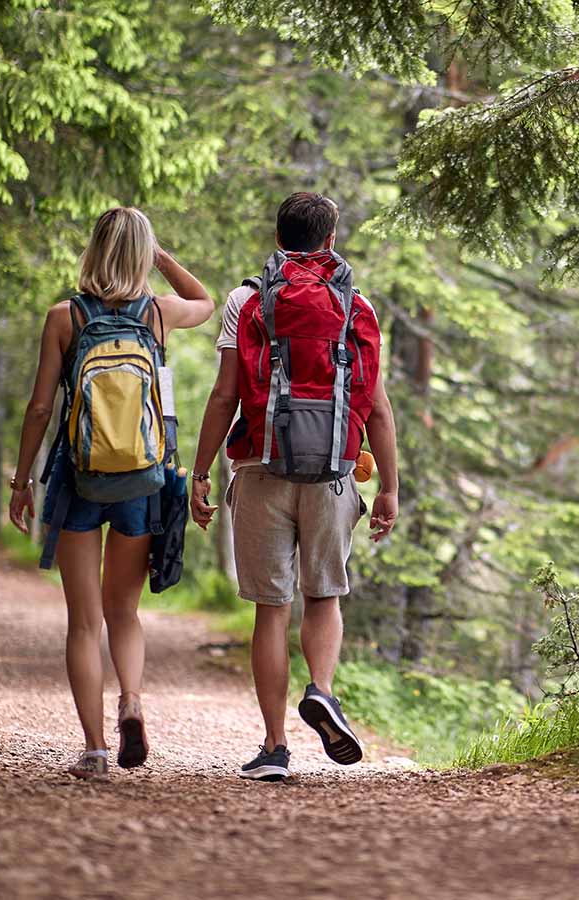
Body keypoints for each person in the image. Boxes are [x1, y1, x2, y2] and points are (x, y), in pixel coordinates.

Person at [190, 192, 399, 781]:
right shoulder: (356, 304)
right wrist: (388, 487)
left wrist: (200, 471)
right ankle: (323, 691)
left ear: (278, 236)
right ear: (330, 242)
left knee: (269, 609)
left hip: (259, 468)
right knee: (323, 595)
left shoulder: (245, 300)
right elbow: (377, 407)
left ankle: (275, 746)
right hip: (333, 470)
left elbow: (225, 394)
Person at [8, 207, 213, 781]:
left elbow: (41, 407)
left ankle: (95, 749)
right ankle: (131, 700)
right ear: (142, 254)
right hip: (141, 481)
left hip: (79, 480)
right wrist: (161, 257)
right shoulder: (157, 314)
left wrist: (22, 482)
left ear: (93, 250)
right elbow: (205, 300)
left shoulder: (64, 317)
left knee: (83, 622)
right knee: (124, 610)